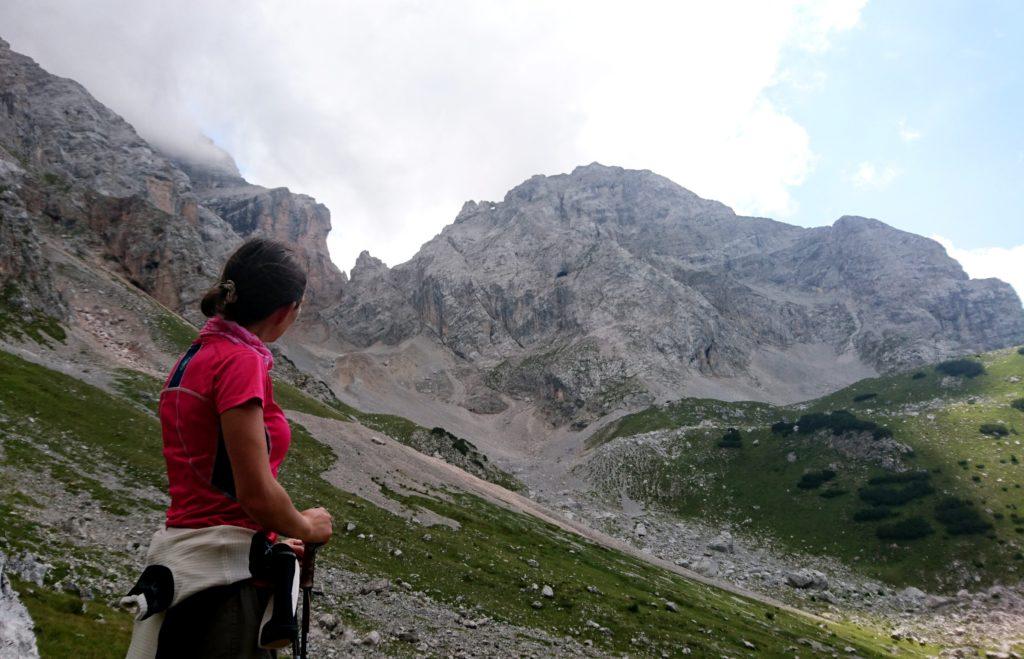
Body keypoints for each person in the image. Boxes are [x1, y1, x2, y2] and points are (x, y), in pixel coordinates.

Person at [124, 238, 333, 658]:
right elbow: (254, 492)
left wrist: (269, 541)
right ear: (286, 310)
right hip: (226, 591)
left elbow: (210, 484)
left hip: (188, 566)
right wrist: (306, 527)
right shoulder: (241, 362)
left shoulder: (196, 355)